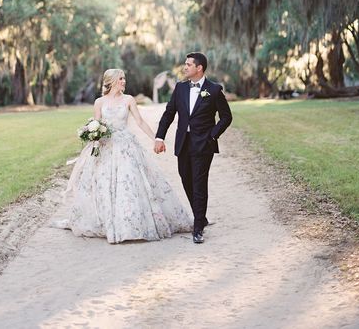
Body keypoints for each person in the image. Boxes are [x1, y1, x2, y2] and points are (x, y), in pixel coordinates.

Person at [55, 68, 192, 243]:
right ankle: (108, 222)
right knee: (105, 184)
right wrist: (94, 136)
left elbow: (140, 121)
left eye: (124, 78)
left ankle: (131, 224)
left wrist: (155, 139)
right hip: (106, 148)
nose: (124, 81)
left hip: (126, 147)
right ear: (111, 81)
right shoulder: (99, 102)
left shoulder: (128, 100)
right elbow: (96, 124)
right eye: (121, 78)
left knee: (129, 182)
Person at [154, 52, 232, 244]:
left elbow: (226, 117)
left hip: (203, 144)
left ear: (199, 68)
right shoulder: (180, 88)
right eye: (185, 64)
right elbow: (169, 113)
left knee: (199, 183)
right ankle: (201, 215)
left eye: (189, 64)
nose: (185, 67)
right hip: (183, 142)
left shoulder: (213, 90)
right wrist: (159, 136)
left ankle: (198, 227)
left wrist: (212, 135)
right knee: (185, 178)